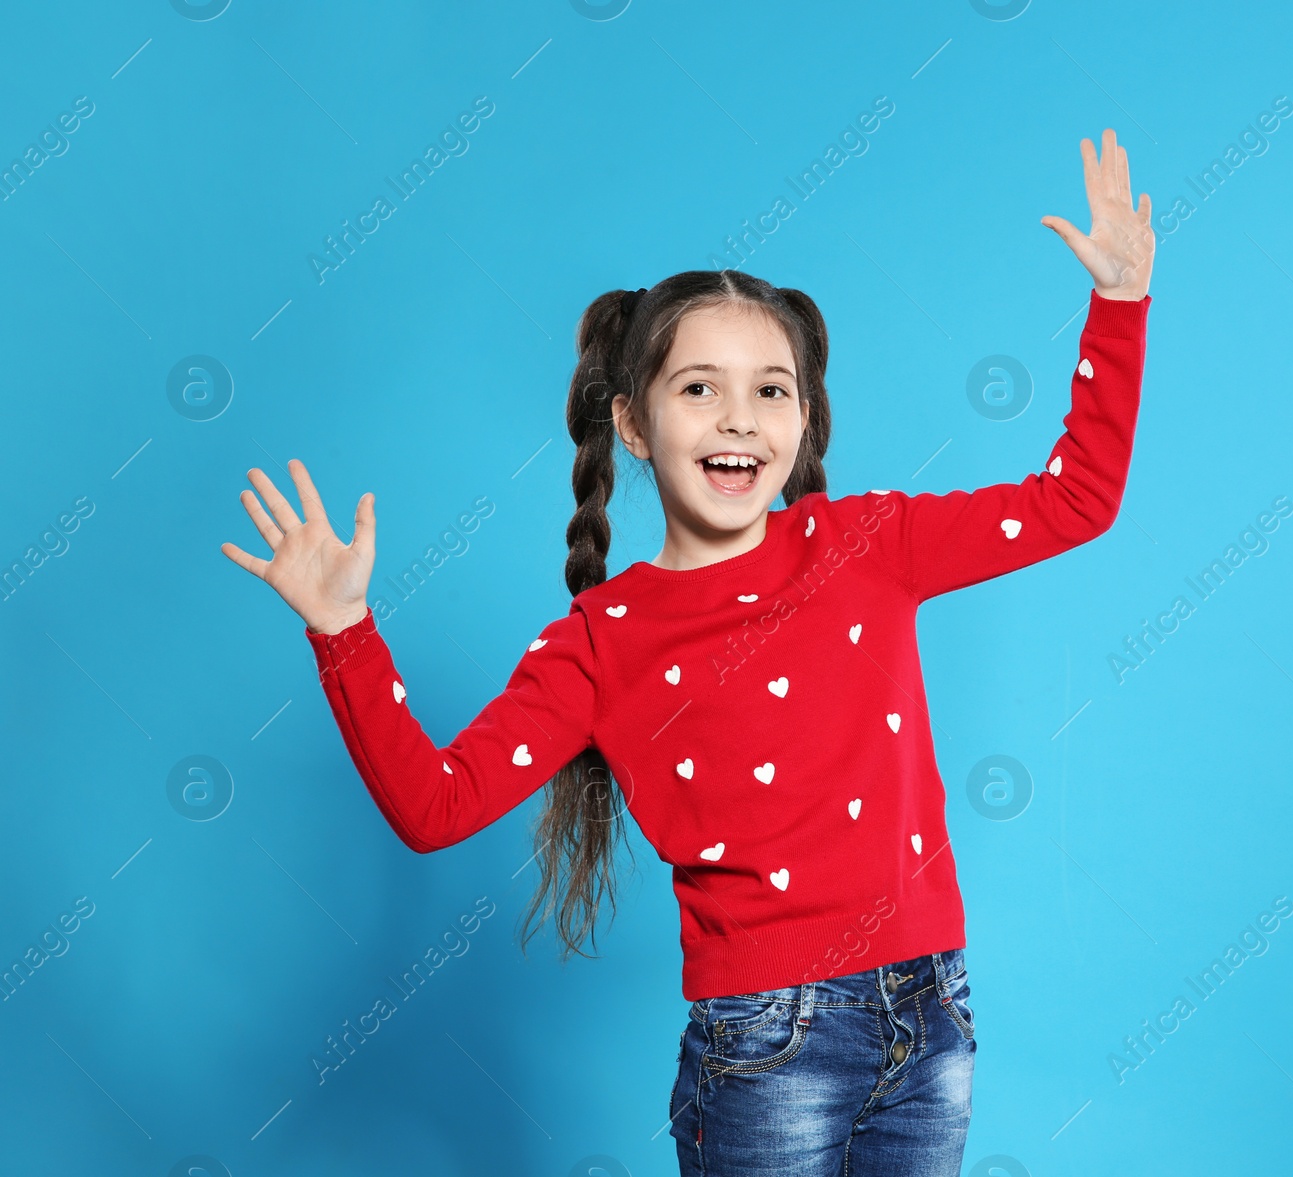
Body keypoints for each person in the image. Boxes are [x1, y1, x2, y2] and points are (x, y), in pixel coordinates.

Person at [221, 127, 1154, 1176]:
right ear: (630, 421)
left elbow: (1076, 500)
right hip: (766, 1045)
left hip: (931, 1004)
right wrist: (345, 633)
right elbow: (434, 807)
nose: (741, 418)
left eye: (772, 389)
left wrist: (1118, 307)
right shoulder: (601, 642)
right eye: (699, 387)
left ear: (804, 418)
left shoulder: (867, 543)